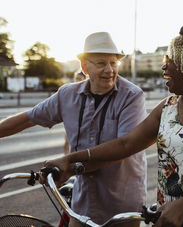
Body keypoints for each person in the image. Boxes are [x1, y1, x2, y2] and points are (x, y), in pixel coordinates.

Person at [44, 27, 183, 226]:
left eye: (170, 59)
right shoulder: (168, 107)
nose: (164, 65)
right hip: (172, 219)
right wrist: (70, 160)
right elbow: (126, 144)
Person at [0, 32, 147, 227]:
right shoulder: (67, 95)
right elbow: (27, 119)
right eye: (101, 63)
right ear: (85, 67)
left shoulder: (132, 96)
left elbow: (123, 148)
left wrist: (70, 166)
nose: (110, 70)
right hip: (83, 203)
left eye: (114, 62)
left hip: (121, 205)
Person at [64, 70, 87, 155]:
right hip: (70, 121)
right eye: (76, 78)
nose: (77, 81)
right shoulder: (70, 91)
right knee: (66, 142)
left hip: (82, 124)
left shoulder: (87, 92)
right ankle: (66, 158)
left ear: (84, 79)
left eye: (79, 79)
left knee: (79, 145)